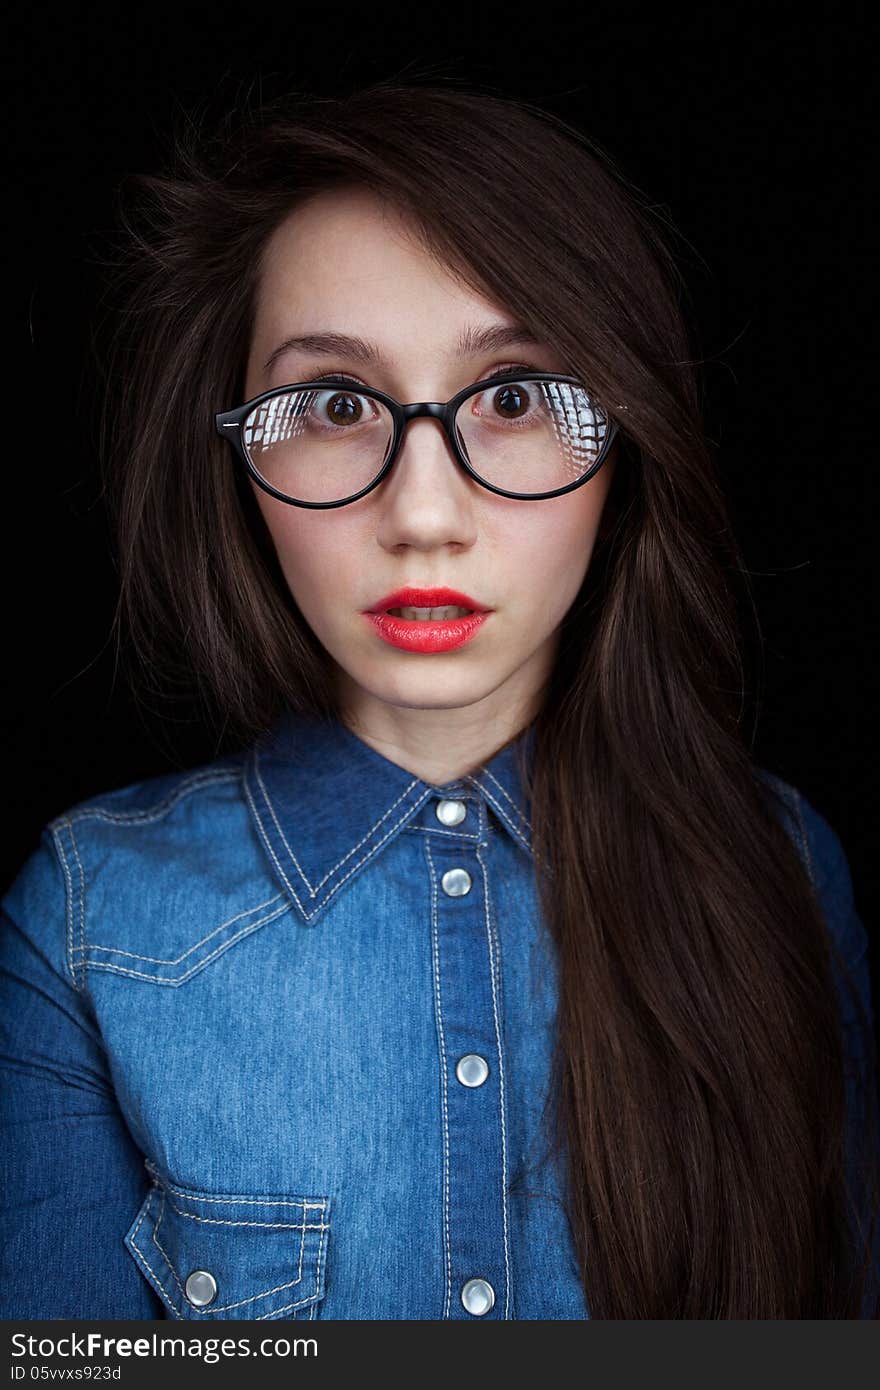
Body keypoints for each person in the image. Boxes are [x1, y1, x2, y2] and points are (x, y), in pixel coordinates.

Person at [1, 80, 876, 1321]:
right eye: (335, 405)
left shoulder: (783, 871)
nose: (422, 515)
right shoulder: (88, 926)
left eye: (512, 395)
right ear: (237, 458)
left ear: (623, 439)